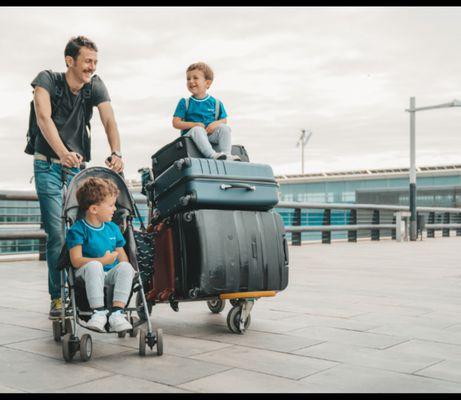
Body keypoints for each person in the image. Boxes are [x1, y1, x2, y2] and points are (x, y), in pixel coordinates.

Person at [30, 35, 125, 318]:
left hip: (76, 169)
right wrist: (62, 152)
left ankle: (85, 292)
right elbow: (43, 117)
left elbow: (109, 119)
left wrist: (116, 152)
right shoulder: (46, 80)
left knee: (82, 230)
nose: (92, 67)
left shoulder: (94, 85)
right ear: (70, 61)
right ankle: (58, 298)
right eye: (87, 61)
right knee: (57, 233)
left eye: (95, 62)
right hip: (47, 164)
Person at [66, 177, 134, 332]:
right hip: (86, 273)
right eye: (111, 205)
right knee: (95, 266)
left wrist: (129, 270)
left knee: (125, 267)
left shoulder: (112, 228)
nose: (115, 209)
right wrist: (102, 260)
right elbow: (76, 261)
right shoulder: (78, 230)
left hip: (109, 273)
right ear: (94, 209)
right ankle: (99, 312)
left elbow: (121, 256)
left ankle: (117, 313)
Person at [172, 62, 241, 161]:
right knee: (197, 129)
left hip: (209, 136)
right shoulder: (185, 102)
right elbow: (176, 123)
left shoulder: (216, 103)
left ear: (207, 83)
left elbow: (224, 120)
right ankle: (212, 155)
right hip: (191, 138)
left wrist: (215, 124)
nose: (191, 81)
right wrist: (194, 125)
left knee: (224, 128)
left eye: (195, 78)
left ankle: (226, 155)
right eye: (188, 79)